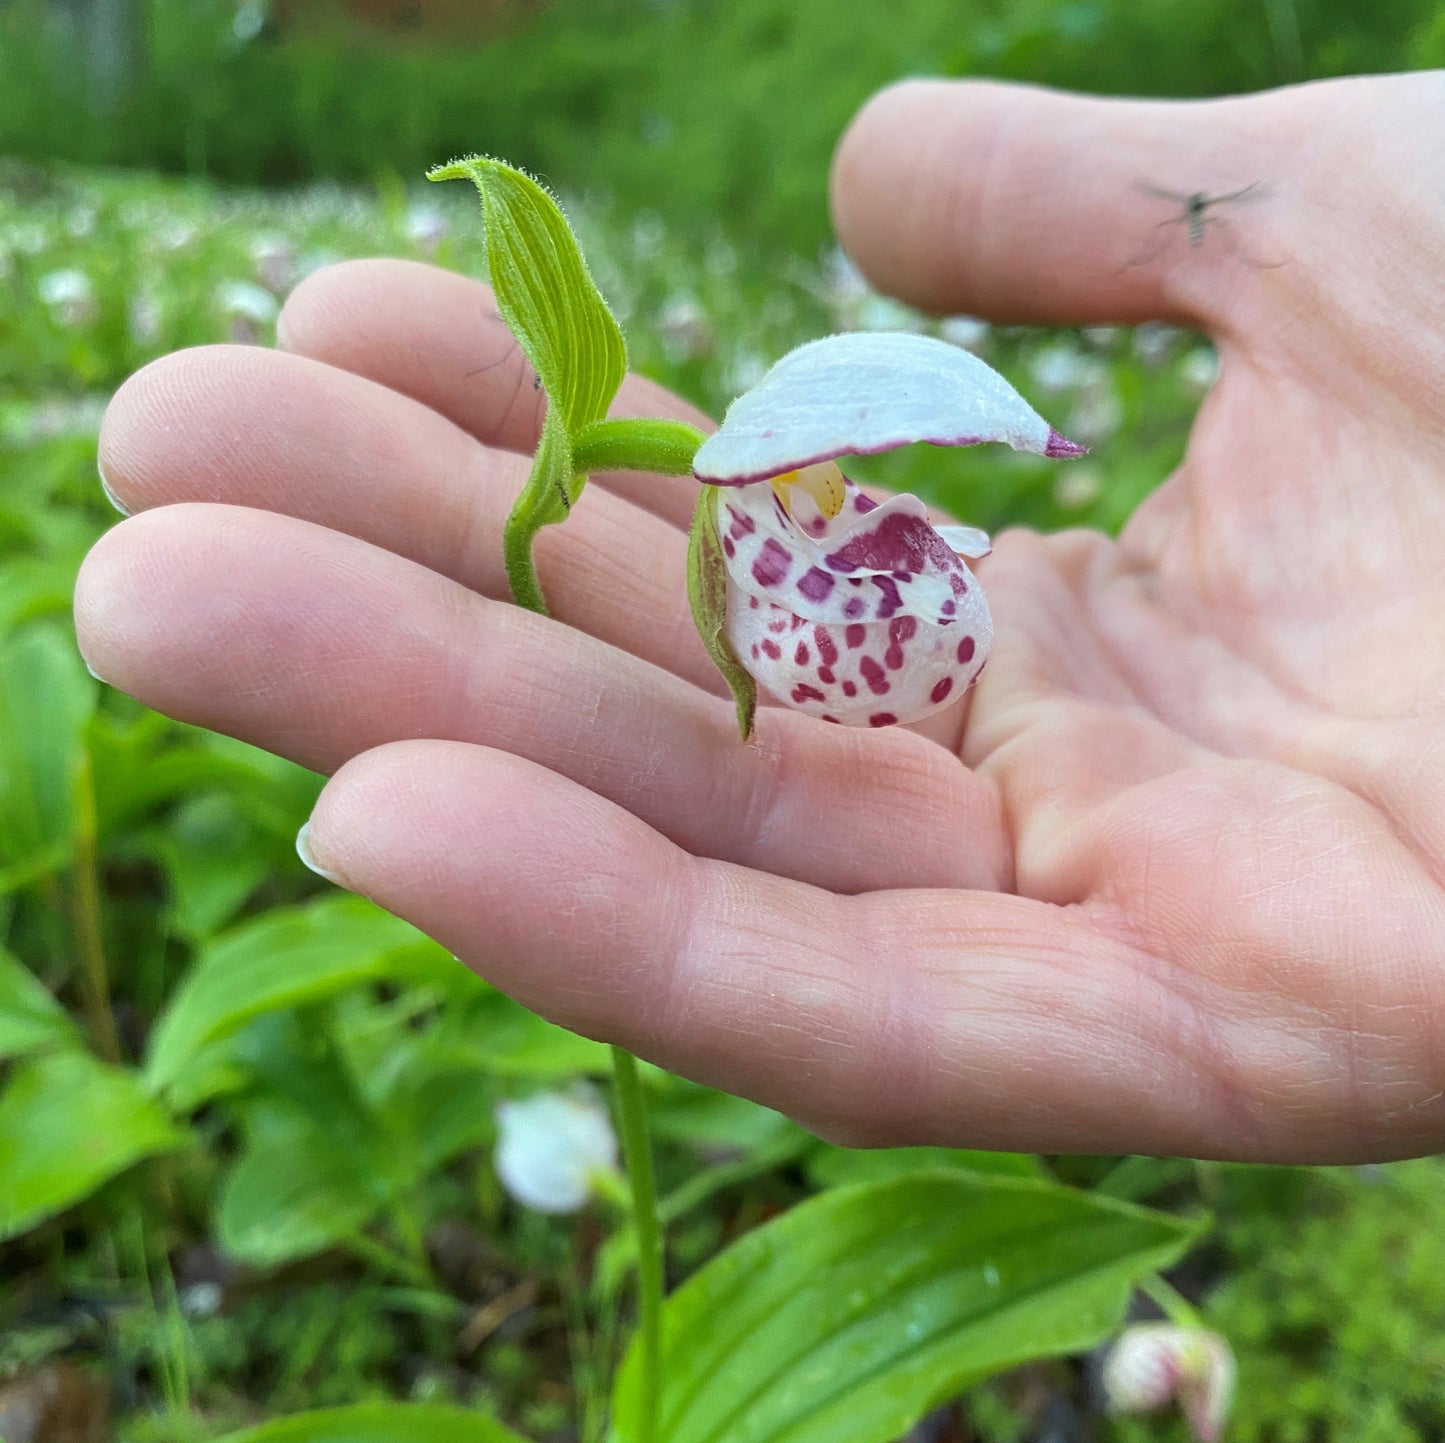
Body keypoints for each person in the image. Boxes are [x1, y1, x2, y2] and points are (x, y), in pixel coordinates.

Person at [74, 72, 1445, 1161]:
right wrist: (760, 625)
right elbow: (763, 555)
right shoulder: (723, 514)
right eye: (800, 489)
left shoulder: (745, 504)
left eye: (810, 488)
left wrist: (808, 548)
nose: (817, 506)